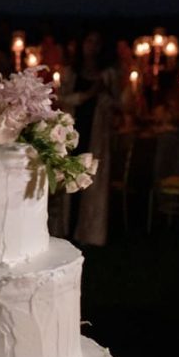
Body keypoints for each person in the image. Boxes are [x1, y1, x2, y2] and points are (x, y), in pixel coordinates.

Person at [57, 30, 119, 245]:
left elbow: (119, 104)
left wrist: (104, 95)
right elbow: (62, 99)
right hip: (74, 130)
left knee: (90, 179)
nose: (92, 46)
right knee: (69, 176)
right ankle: (66, 227)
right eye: (89, 41)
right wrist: (88, 94)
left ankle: (88, 232)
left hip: (96, 133)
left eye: (97, 42)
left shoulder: (107, 75)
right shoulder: (71, 72)